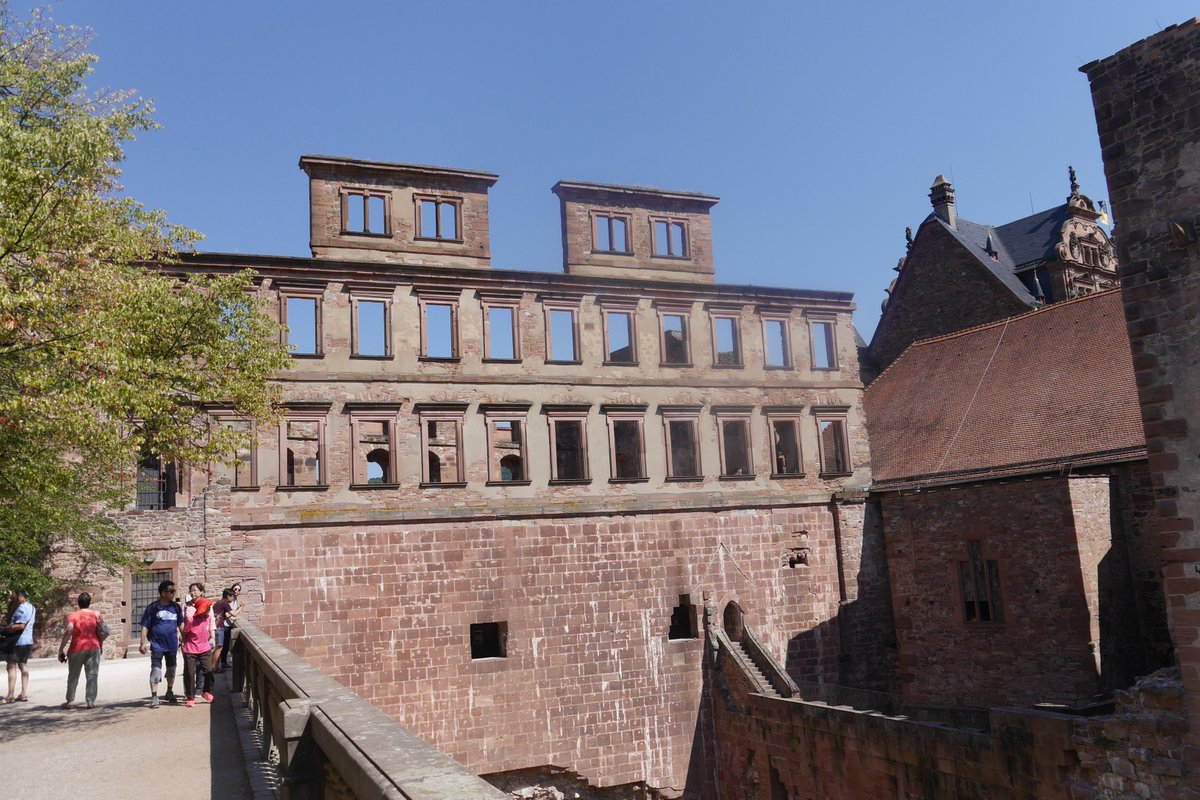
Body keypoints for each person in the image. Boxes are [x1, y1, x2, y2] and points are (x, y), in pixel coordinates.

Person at [139, 580, 184, 708]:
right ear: (163, 593)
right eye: (171, 591)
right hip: (157, 644)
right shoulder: (153, 607)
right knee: (156, 669)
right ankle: (154, 696)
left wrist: (185, 639)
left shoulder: (176, 607)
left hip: (172, 645)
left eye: (174, 591)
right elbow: (145, 626)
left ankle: (169, 691)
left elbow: (181, 624)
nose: (173, 593)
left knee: (171, 669)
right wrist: (143, 642)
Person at [57, 592, 104, 709]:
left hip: (77, 648)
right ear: (89, 603)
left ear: (78, 603)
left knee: (73, 675)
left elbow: (69, 631)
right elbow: (101, 632)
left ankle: (70, 701)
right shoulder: (96, 615)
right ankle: (90, 701)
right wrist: (101, 645)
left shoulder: (74, 616)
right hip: (94, 647)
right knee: (92, 675)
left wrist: (61, 648)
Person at [180, 596, 215, 708]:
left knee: (209, 670)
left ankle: (206, 691)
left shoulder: (208, 618)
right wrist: (184, 644)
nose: (209, 610)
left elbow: (210, 629)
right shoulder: (191, 621)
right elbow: (185, 633)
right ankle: (190, 697)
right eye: (208, 608)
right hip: (191, 650)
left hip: (205, 649)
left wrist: (212, 638)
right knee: (190, 673)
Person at [3, 588, 36, 704]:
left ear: (19, 597)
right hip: (28, 640)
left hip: (18, 641)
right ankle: (24, 693)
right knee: (23, 666)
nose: (13, 598)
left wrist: (7, 628)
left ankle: (10, 695)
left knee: (11, 666)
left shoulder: (21, 608)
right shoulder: (32, 607)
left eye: (14, 596)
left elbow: (21, 626)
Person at [211, 588, 234, 673]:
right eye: (232, 596)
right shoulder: (225, 603)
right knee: (219, 648)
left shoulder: (219, 602)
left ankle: (214, 667)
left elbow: (227, 614)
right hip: (219, 627)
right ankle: (214, 668)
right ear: (228, 596)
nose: (233, 598)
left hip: (216, 627)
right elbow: (233, 613)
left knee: (217, 648)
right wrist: (241, 607)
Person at [222, 582, 243, 669]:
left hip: (229, 624)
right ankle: (223, 663)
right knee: (224, 645)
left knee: (226, 644)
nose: (237, 591)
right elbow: (227, 614)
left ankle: (224, 662)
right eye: (235, 589)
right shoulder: (229, 600)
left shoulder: (235, 600)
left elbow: (233, 612)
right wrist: (240, 609)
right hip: (225, 625)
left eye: (238, 590)